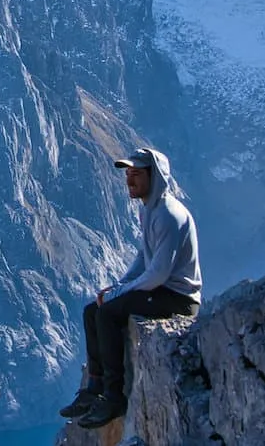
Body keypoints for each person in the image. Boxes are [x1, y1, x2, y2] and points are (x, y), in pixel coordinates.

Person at [59, 147, 202, 429]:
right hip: (160, 291)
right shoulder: (151, 210)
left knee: (107, 313)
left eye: (136, 174)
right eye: (128, 174)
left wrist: (119, 294)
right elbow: (143, 257)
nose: (129, 180)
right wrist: (119, 286)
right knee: (93, 310)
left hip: (178, 299)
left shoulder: (168, 215)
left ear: (155, 176)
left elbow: (158, 274)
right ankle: (94, 388)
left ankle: (114, 396)